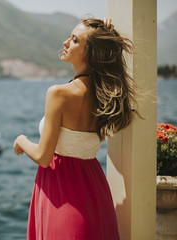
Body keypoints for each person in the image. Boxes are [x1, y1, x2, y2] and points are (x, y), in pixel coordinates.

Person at [13, 18, 139, 240]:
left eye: (74, 40)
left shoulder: (59, 93)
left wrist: (21, 139)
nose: (65, 42)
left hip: (61, 191)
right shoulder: (105, 95)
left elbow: (44, 157)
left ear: (90, 52)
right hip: (94, 187)